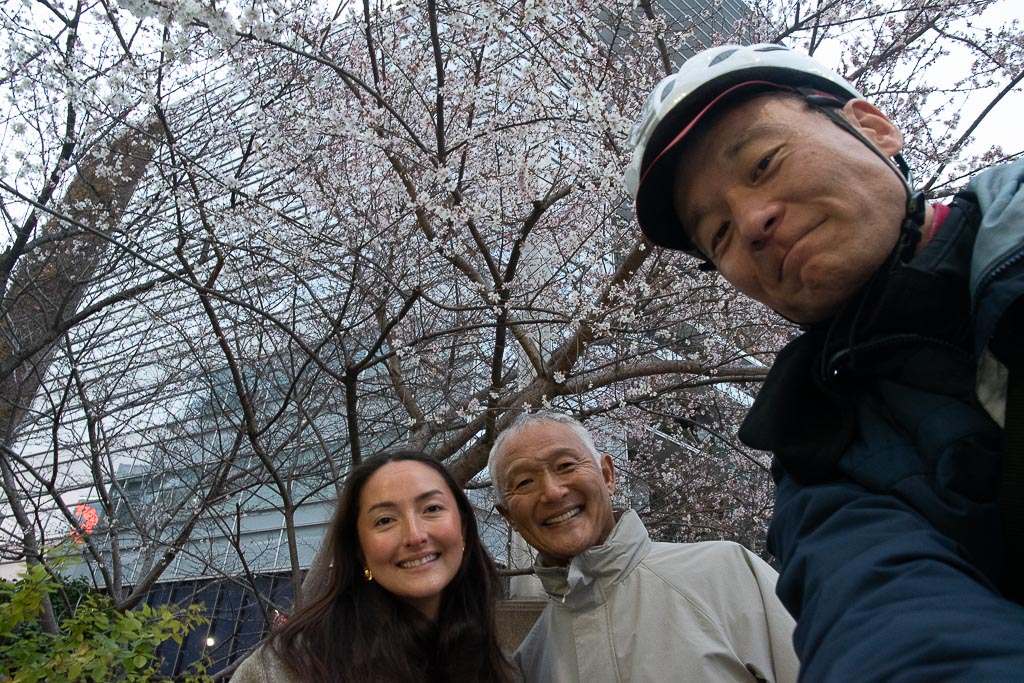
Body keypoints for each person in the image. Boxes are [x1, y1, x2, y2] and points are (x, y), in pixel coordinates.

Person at [626, 43, 1024, 680]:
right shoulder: (821, 462)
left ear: (873, 128)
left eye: (764, 162)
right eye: (718, 234)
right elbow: (886, 625)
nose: (752, 222)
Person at [488, 410, 799, 682]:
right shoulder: (532, 660)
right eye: (524, 483)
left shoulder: (726, 573)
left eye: (566, 465)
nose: (553, 492)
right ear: (508, 517)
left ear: (608, 475)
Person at [230, 450, 515, 683]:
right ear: (360, 551)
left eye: (432, 509)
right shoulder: (286, 668)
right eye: (385, 520)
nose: (415, 536)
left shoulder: (498, 666)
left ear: (463, 529)